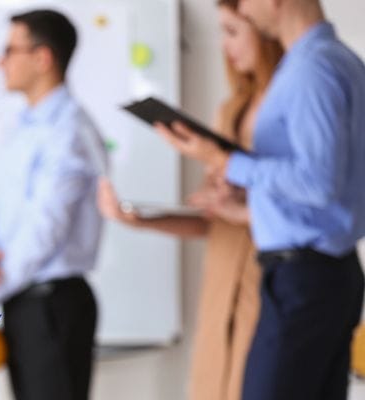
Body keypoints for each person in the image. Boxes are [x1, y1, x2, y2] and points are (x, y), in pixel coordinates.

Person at [154, 0, 365, 397]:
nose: (245, 10)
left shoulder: (310, 70)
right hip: (320, 274)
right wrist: (243, 203)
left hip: (304, 278)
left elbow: (318, 182)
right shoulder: (337, 61)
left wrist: (223, 160)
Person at [96, 1, 282, 399]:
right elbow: (212, 220)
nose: (223, 45)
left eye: (233, 31)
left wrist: (246, 204)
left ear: (266, 29)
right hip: (220, 291)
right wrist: (139, 220)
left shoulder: (289, 109)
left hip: (272, 284)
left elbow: (306, 208)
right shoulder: (230, 110)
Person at [0, 9, 107, 400]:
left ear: (42, 58)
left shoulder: (70, 131)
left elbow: (46, 229)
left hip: (53, 306)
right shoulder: (25, 126)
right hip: (24, 302)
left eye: (10, 50)